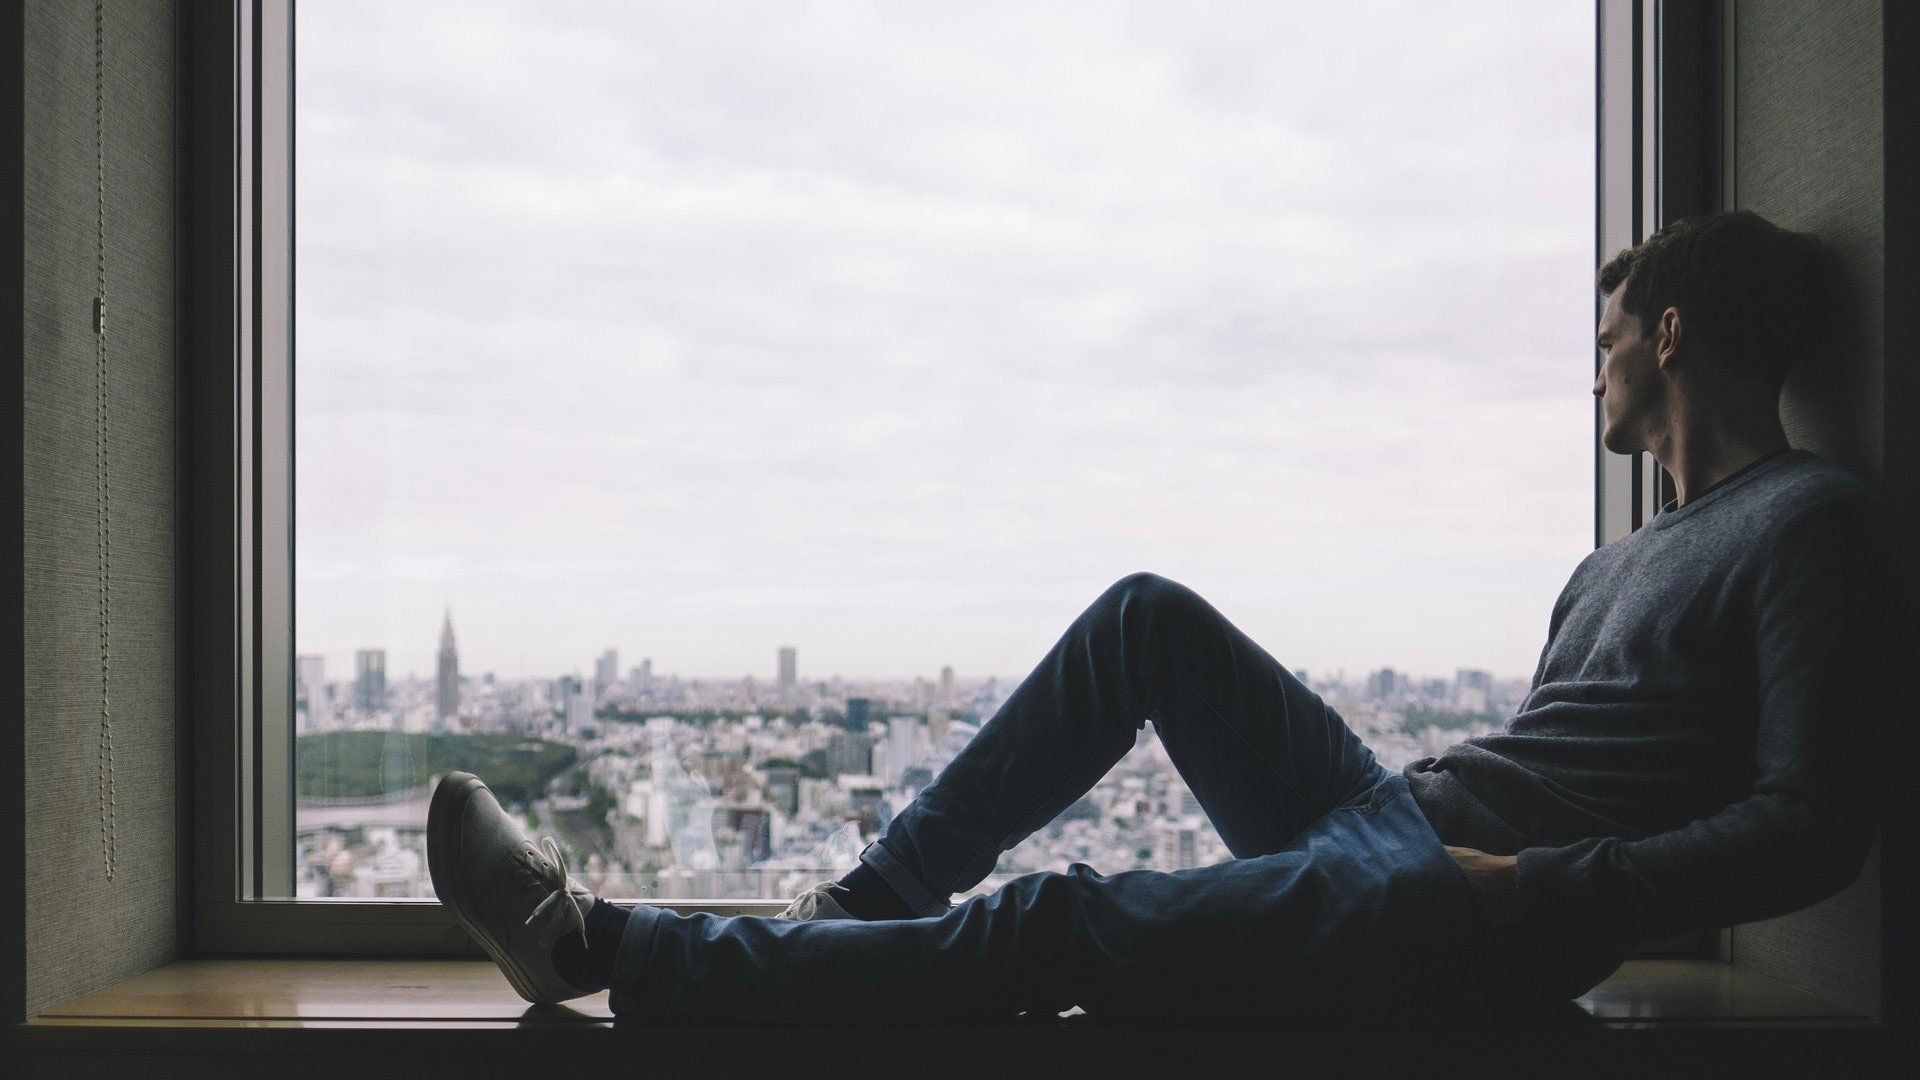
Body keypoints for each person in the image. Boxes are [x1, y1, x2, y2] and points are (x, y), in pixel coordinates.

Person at [426, 210, 1911, 1025]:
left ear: (1669, 335)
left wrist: (1528, 892)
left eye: (1608, 340)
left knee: (1059, 921)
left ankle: (599, 947)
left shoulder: (1810, 520)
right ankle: (864, 906)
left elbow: (1814, 829)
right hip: (1408, 823)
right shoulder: (1611, 564)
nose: (1593, 372)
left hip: (1462, 901)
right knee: (1144, 618)